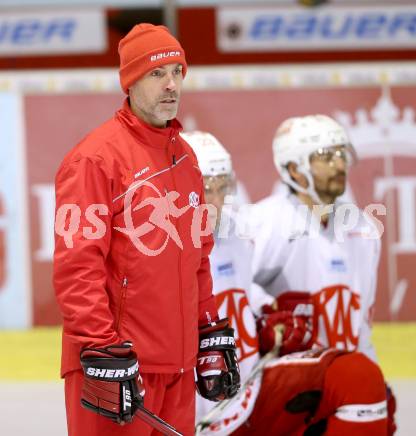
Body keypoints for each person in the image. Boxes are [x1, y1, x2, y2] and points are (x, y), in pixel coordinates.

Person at [53, 24, 239, 436]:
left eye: (177, 72)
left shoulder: (185, 159)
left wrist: (207, 329)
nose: (171, 85)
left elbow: (198, 257)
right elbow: (77, 266)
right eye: (157, 74)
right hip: (116, 366)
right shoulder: (95, 160)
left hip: (176, 368)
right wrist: (100, 346)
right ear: (131, 80)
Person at [246, 114, 395, 435]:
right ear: (294, 169)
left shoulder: (363, 229)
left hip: (345, 378)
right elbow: (230, 290)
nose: (339, 165)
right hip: (288, 382)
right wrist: (265, 312)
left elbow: (361, 325)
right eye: (325, 157)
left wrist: (375, 377)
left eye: (342, 154)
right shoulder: (263, 223)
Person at [180, 131, 260, 422]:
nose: (214, 199)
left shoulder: (243, 234)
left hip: (242, 389)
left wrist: (268, 313)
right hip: (190, 393)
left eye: (221, 186)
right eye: (204, 188)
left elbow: (249, 290)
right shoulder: (165, 246)